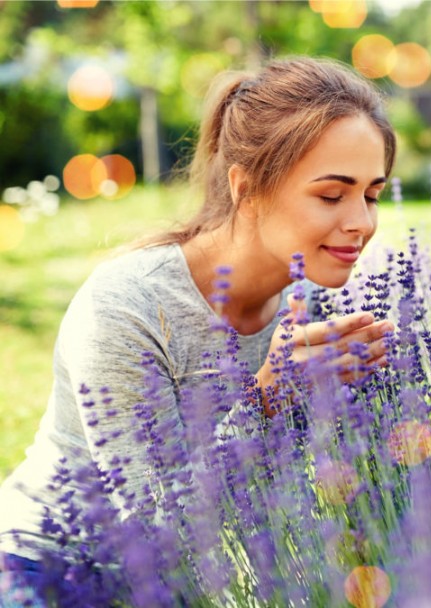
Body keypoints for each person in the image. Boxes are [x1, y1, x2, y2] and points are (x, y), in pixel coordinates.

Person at [0, 56, 396, 603]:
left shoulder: (312, 307)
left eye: (372, 195)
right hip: (46, 567)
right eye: (332, 195)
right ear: (247, 187)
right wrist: (267, 398)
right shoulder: (128, 306)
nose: (362, 223)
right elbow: (152, 532)